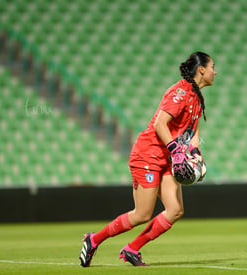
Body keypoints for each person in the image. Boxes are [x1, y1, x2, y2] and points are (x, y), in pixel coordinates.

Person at [79, 52, 216, 267]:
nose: (214, 72)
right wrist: (176, 150)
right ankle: (93, 239)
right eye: (212, 67)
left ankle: (132, 249)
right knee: (142, 214)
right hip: (148, 154)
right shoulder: (180, 92)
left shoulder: (197, 98)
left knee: (176, 210)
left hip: (169, 159)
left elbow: (193, 135)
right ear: (201, 70)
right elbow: (160, 124)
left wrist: (196, 155)